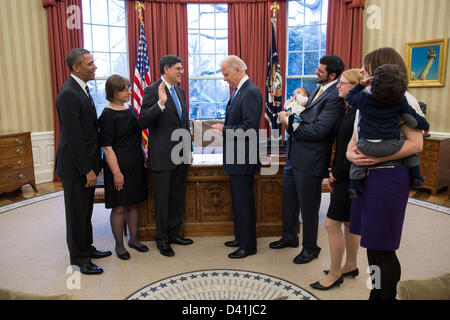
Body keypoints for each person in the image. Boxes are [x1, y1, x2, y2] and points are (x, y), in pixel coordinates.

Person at [346, 47, 426, 300]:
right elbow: (355, 137)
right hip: (367, 178)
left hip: (388, 178)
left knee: (384, 249)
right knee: (372, 244)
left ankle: (386, 297)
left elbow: (416, 144)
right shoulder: (368, 97)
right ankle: (376, 295)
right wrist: (350, 154)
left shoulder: (402, 98)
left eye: (366, 67)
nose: (361, 71)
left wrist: (376, 157)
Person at [274, 55, 345, 265]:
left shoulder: (335, 97)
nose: (316, 72)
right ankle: (289, 237)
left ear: (332, 75)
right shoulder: (316, 90)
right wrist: (292, 111)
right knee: (289, 201)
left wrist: (288, 123)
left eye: (320, 71)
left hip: (312, 160)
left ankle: (311, 247)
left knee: (309, 207)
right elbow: (306, 118)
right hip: (294, 155)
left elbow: (320, 130)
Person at [55, 48, 111, 275]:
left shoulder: (81, 89)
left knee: (85, 212)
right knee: (76, 215)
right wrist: (87, 170)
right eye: (90, 64)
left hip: (86, 163)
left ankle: (87, 248)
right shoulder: (68, 93)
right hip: (76, 167)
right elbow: (73, 137)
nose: (94, 67)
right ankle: (79, 260)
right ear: (76, 67)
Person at [308, 69, 362, 291]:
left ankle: (335, 273)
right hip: (343, 172)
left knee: (331, 223)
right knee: (349, 222)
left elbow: (355, 147)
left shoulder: (359, 111)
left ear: (356, 86)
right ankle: (350, 265)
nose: (338, 86)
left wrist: (336, 173)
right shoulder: (350, 109)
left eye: (343, 83)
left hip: (349, 175)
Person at [346, 64, 429, 198]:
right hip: (390, 145)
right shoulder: (399, 100)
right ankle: (416, 177)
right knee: (410, 154)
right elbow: (412, 119)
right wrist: (425, 125)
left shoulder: (363, 98)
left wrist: (361, 85)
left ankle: (354, 187)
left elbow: (349, 98)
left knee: (358, 160)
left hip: (366, 146)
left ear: (373, 81)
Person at [139, 55, 193, 257]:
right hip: (161, 156)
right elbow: (143, 121)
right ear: (166, 69)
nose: (181, 72)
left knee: (177, 197)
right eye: (178, 68)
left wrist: (188, 149)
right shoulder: (152, 90)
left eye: (182, 68)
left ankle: (173, 234)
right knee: (162, 199)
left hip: (180, 154)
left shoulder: (180, 91)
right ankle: (162, 239)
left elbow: (184, 122)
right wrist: (160, 104)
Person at [212, 55, 262, 259]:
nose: (224, 79)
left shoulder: (250, 91)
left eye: (226, 74)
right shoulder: (239, 91)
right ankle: (241, 238)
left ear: (238, 69)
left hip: (243, 157)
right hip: (236, 156)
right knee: (238, 202)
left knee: (244, 204)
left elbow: (250, 128)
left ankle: (248, 246)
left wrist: (225, 129)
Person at [99, 75, 148, 260]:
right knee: (119, 206)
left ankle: (134, 239)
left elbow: (136, 137)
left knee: (134, 203)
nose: (129, 92)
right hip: (118, 166)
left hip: (135, 163)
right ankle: (119, 245)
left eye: (129, 88)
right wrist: (117, 173)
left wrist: (143, 155)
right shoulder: (107, 115)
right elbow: (107, 147)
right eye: (124, 89)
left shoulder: (130, 109)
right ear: (113, 92)